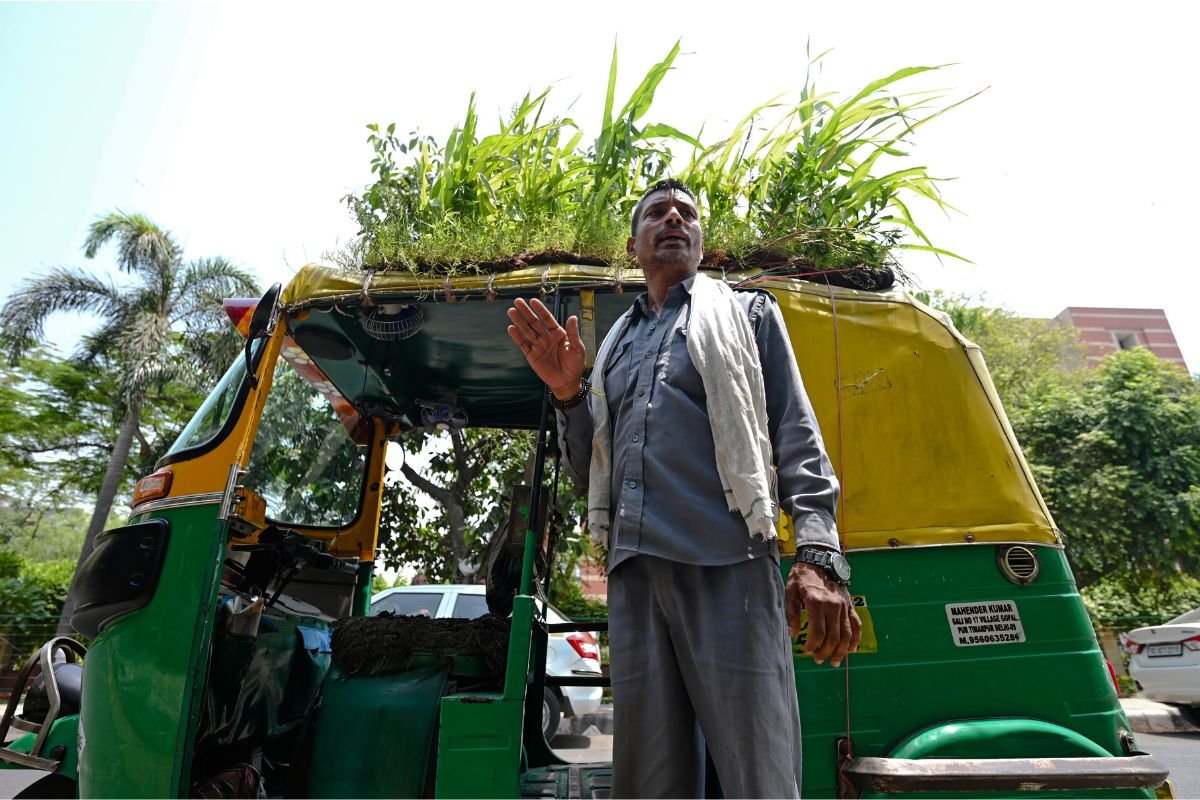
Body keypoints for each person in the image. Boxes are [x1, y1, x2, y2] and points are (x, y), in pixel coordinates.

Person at [506, 179, 860, 798]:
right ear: (633, 244)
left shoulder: (748, 316)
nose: (673, 217)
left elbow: (795, 436)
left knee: (759, 771)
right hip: (637, 578)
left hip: (727, 565)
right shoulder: (615, 345)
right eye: (655, 213)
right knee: (651, 781)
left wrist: (818, 558)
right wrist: (568, 393)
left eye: (686, 213)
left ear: (701, 240)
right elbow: (594, 469)